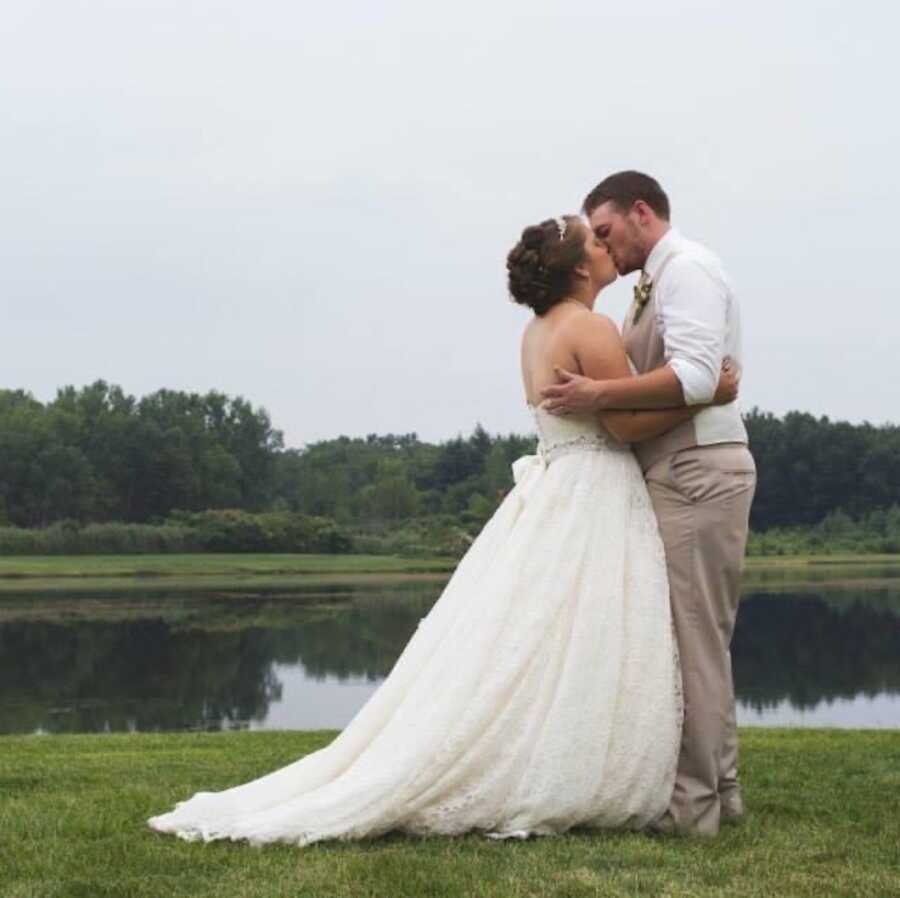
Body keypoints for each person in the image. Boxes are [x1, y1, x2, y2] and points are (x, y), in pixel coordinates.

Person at [147, 214, 736, 847]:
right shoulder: (589, 328)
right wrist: (709, 394)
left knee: (544, 637)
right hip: (593, 491)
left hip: (555, 488)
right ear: (578, 268)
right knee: (582, 632)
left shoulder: (535, 332)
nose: (606, 247)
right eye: (595, 241)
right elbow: (623, 425)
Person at [541, 171, 756, 837]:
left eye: (605, 231)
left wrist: (596, 399)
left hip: (695, 469)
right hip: (677, 466)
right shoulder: (650, 286)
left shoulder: (687, 269)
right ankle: (721, 791)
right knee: (699, 641)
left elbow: (696, 375)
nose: (602, 247)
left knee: (694, 642)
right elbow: (688, 381)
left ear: (641, 213)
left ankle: (693, 809)